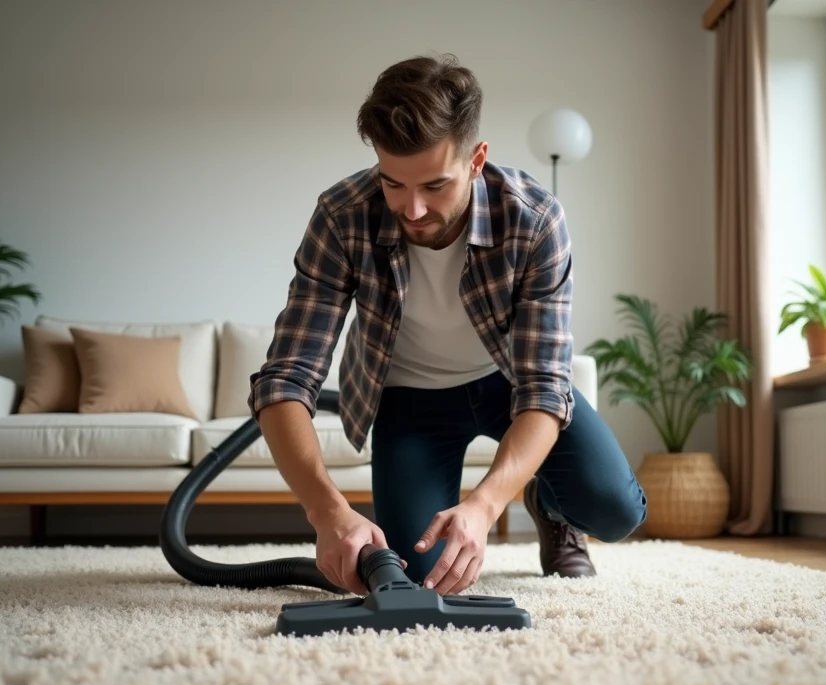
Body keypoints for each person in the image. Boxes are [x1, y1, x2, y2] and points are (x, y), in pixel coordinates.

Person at [249, 54, 647, 597]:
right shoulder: (343, 216)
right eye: (393, 184)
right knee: (422, 574)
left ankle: (548, 505)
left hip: (509, 385)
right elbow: (285, 378)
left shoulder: (533, 219)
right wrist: (326, 511)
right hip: (410, 399)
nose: (412, 209)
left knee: (616, 511)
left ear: (476, 159)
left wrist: (485, 505)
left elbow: (543, 387)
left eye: (435, 185)